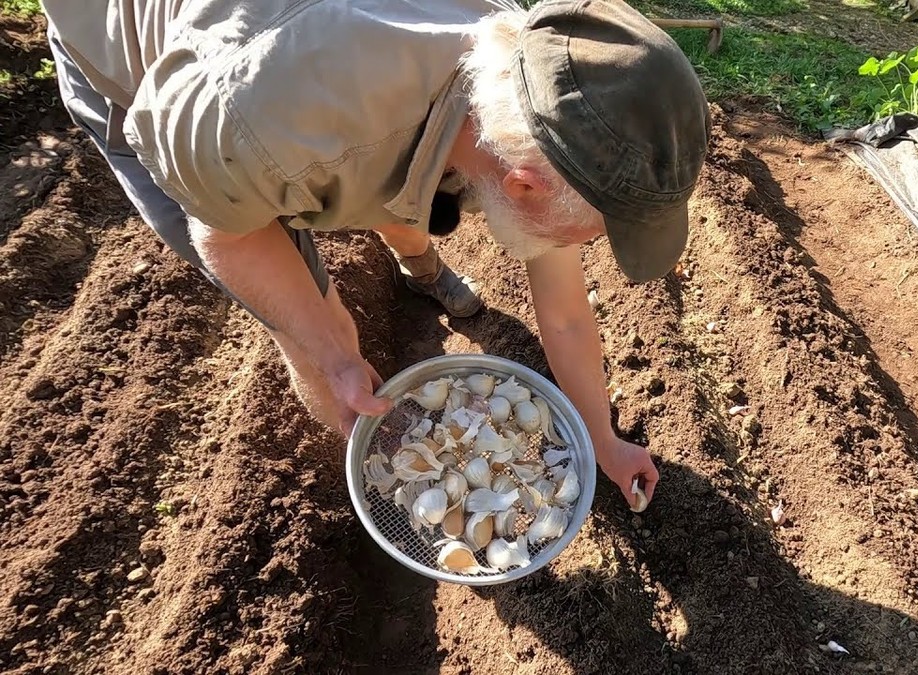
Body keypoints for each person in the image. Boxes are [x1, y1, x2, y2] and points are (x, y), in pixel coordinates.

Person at [39, 0, 711, 509]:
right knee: (314, 326)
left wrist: (600, 437)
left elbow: (563, 312)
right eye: (587, 235)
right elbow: (226, 234)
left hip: (322, 92)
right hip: (139, 62)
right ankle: (375, 452)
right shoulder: (251, 123)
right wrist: (329, 354)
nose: (584, 249)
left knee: (406, 187)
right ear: (523, 184)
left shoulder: (547, 85)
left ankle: (420, 268)